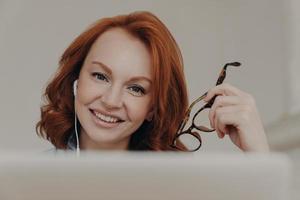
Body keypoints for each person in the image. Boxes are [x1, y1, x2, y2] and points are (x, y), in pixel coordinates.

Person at [36, 11, 269, 153]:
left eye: (136, 88)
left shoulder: (185, 188)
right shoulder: (27, 184)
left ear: (153, 108)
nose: (111, 100)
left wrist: (259, 153)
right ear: (76, 81)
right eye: (100, 76)